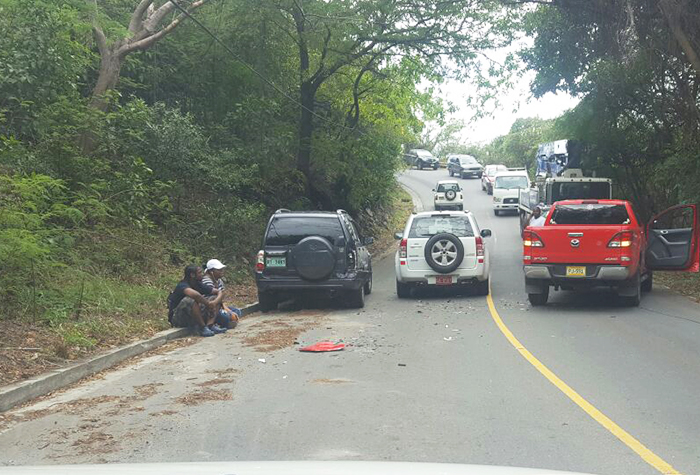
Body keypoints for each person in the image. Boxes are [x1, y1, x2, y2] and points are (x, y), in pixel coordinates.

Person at [168, 265, 226, 337]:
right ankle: (202, 327)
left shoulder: (198, 284)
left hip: (192, 316)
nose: (202, 274)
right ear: (192, 275)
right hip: (178, 318)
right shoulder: (182, 285)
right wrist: (208, 303)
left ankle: (210, 325)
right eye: (199, 272)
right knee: (191, 300)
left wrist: (214, 303)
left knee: (214, 298)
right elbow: (195, 295)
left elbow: (220, 292)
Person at [202, 259, 241, 329]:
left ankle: (226, 321)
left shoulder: (219, 280)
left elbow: (221, 300)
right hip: (210, 309)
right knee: (226, 317)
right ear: (211, 272)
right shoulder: (206, 281)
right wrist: (229, 312)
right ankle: (219, 323)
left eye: (222, 269)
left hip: (219, 306)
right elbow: (214, 300)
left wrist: (229, 310)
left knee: (237, 311)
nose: (222, 272)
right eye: (219, 270)